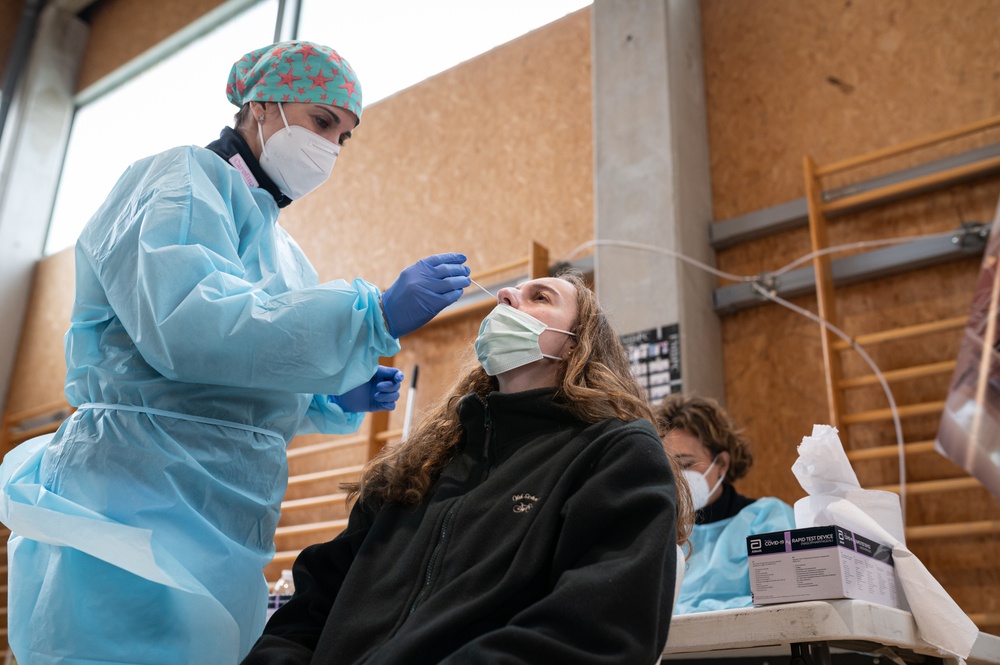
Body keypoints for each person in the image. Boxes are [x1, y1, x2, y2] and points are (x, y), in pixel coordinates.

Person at [0, 41, 471, 665]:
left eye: (345, 135)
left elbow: (239, 386)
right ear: (261, 106)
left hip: (229, 520)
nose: (331, 146)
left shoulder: (284, 253)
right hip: (134, 491)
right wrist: (371, 316)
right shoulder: (176, 182)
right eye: (321, 121)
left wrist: (326, 398)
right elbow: (189, 328)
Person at [240, 269, 693, 665]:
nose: (505, 297)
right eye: (511, 292)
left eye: (540, 297)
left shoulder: (614, 454)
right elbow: (309, 611)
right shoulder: (418, 468)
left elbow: (600, 635)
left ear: (580, 347)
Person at [654, 393, 795, 614]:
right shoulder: (661, 532)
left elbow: (784, 604)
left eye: (685, 464)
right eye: (668, 467)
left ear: (721, 463)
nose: (677, 479)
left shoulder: (767, 519)